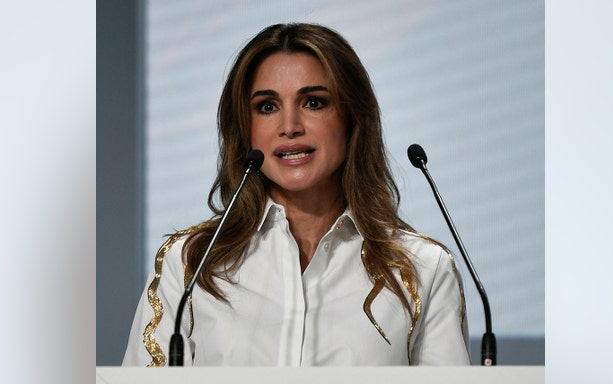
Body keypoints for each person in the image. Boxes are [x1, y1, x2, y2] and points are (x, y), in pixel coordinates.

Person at [123, 23, 469, 366]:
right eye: (267, 107)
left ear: (352, 118)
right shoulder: (191, 263)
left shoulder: (423, 269)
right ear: (245, 129)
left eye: (314, 102)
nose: (289, 126)